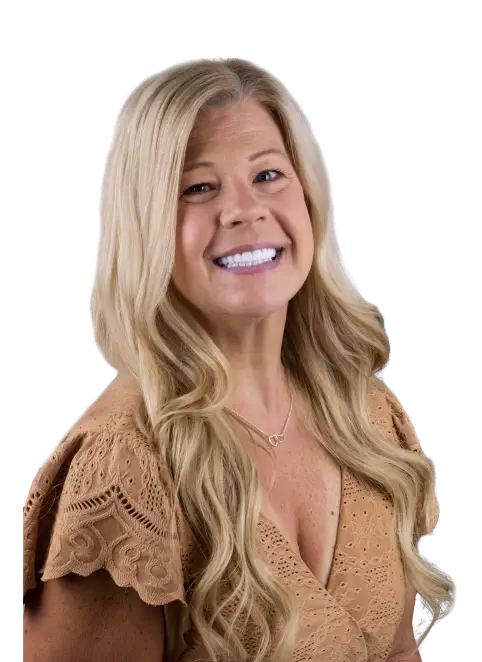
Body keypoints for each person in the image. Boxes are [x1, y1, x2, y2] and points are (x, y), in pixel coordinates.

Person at [22, 56, 457, 662]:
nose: (244, 210)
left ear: (308, 197)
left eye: (269, 175)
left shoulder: (366, 418)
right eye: (198, 187)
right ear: (148, 228)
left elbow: (399, 650)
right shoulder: (123, 470)